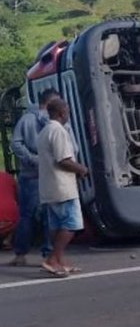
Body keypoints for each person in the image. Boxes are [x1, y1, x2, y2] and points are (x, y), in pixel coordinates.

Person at [37, 98, 88, 277]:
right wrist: (82, 169)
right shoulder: (58, 131)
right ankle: (52, 259)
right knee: (72, 224)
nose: (69, 115)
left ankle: (59, 260)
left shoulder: (44, 131)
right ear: (61, 113)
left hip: (49, 186)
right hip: (62, 187)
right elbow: (63, 159)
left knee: (57, 225)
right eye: (67, 111)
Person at [8, 88, 58, 266]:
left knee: (28, 216)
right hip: (44, 175)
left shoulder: (27, 119)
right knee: (47, 216)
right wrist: (39, 160)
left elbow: (16, 143)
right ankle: (48, 254)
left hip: (32, 175)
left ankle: (21, 254)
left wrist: (31, 160)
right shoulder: (51, 121)